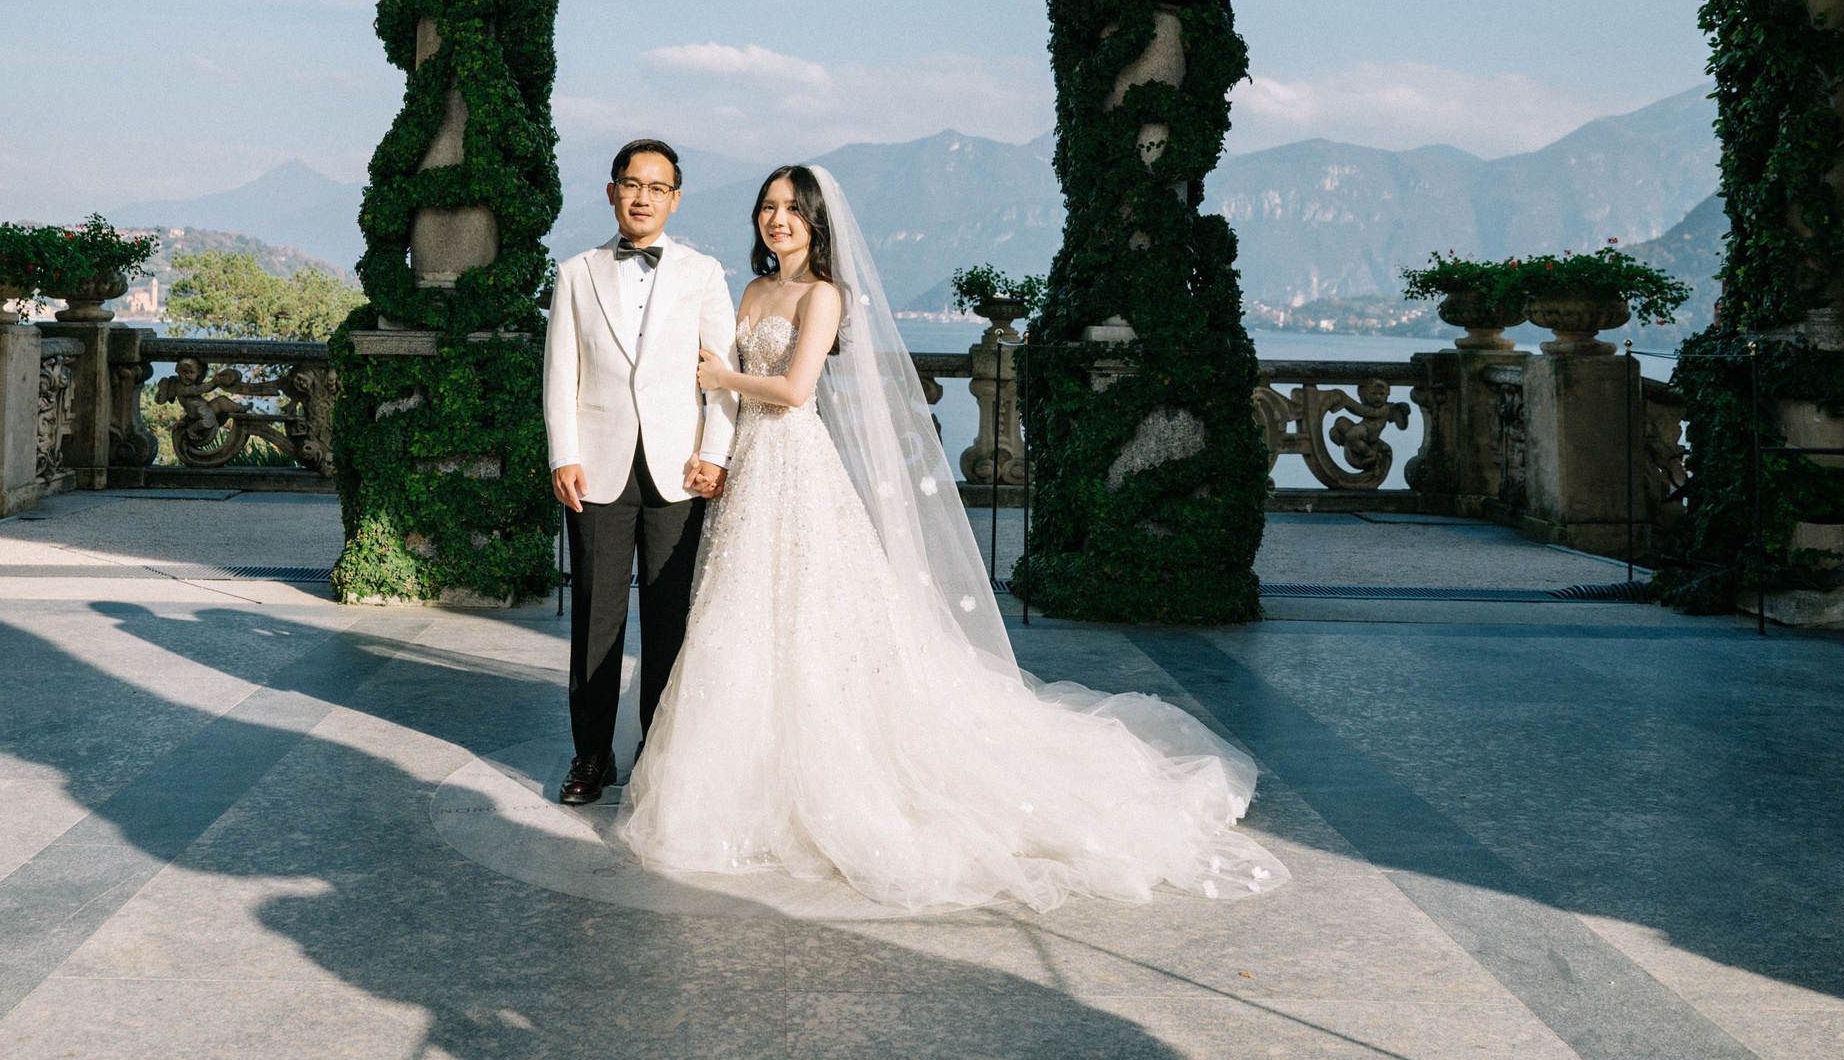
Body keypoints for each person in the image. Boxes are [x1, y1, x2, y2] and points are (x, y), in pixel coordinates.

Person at [614, 163, 1288, 911]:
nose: (778, 220)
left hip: (797, 464)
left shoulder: (823, 295)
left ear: (815, 222)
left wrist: (721, 377)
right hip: (749, 469)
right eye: (768, 208)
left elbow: (797, 388)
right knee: (741, 620)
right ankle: (741, 777)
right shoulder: (752, 291)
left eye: (792, 210)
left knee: (815, 617)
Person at [541, 138, 738, 807]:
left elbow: (724, 377)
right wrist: (563, 452)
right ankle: (591, 755)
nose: (643, 195)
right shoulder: (575, 274)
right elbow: (558, 372)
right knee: (596, 616)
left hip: (680, 467)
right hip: (594, 465)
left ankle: (660, 758)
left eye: (657, 186)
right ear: (611, 191)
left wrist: (714, 451)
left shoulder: (705, 273)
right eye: (631, 182)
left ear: (675, 198)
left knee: (670, 619)